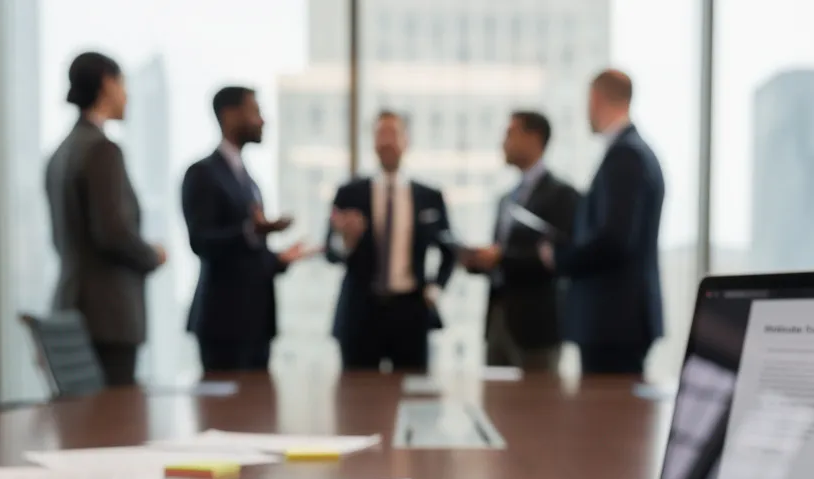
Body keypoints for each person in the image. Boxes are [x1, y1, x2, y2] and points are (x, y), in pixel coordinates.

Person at [44, 51, 166, 387]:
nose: (127, 96)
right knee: (113, 424)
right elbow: (113, 233)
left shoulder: (60, 152)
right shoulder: (102, 149)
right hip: (107, 316)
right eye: (123, 85)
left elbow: (61, 238)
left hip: (70, 306)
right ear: (107, 84)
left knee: (82, 422)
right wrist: (153, 255)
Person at [181, 86, 314, 373]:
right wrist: (250, 232)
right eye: (255, 112)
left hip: (257, 323)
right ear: (229, 115)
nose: (262, 120)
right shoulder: (202, 173)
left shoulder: (248, 179)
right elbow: (201, 241)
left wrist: (279, 260)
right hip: (223, 324)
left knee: (259, 414)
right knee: (224, 415)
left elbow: (250, 250)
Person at [325, 111, 458, 372]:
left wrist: (436, 288)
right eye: (380, 134)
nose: (386, 142)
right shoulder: (349, 193)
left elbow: (449, 251)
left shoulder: (429, 196)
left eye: (393, 134)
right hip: (360, 312)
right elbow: (330, 252)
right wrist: (346, 242)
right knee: (359, 401)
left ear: (406, 141)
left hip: (411, 313)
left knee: (414, 400)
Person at [555, 69, 666, 376]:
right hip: (618, 321)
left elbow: (615, 239)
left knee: (610, 421)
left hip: (614, 320)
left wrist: (560, 258)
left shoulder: (626, 156)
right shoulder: (632, 152)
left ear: (596, 99)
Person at [464, 111, 579, 372]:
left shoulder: (563, 195)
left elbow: (558, 258)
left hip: (536, 327)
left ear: (533, 137)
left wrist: (502, 258)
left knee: (538, 408)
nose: (503, 142)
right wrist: (478, 260)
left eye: (510, 134)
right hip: (498, 322)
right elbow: (501, 254)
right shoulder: (507, 198)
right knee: (494, 407)